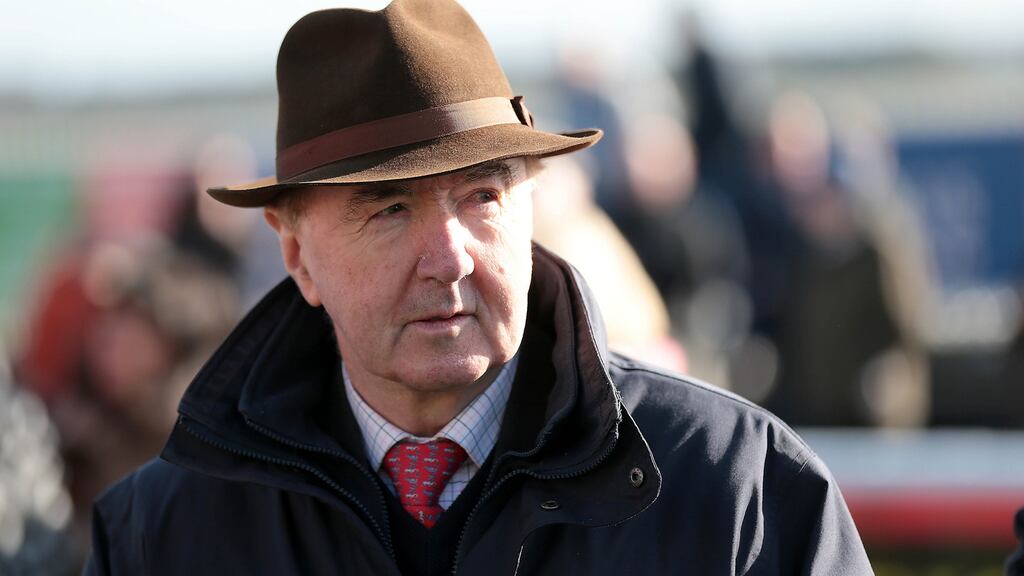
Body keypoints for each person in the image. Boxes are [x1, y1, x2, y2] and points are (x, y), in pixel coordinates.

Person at [83, 1, 873, 574]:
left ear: (533, 203)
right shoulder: (161, 534)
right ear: (297, 257)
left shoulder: (741, 489)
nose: (449, 256)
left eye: (482, 197)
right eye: (388, 209)